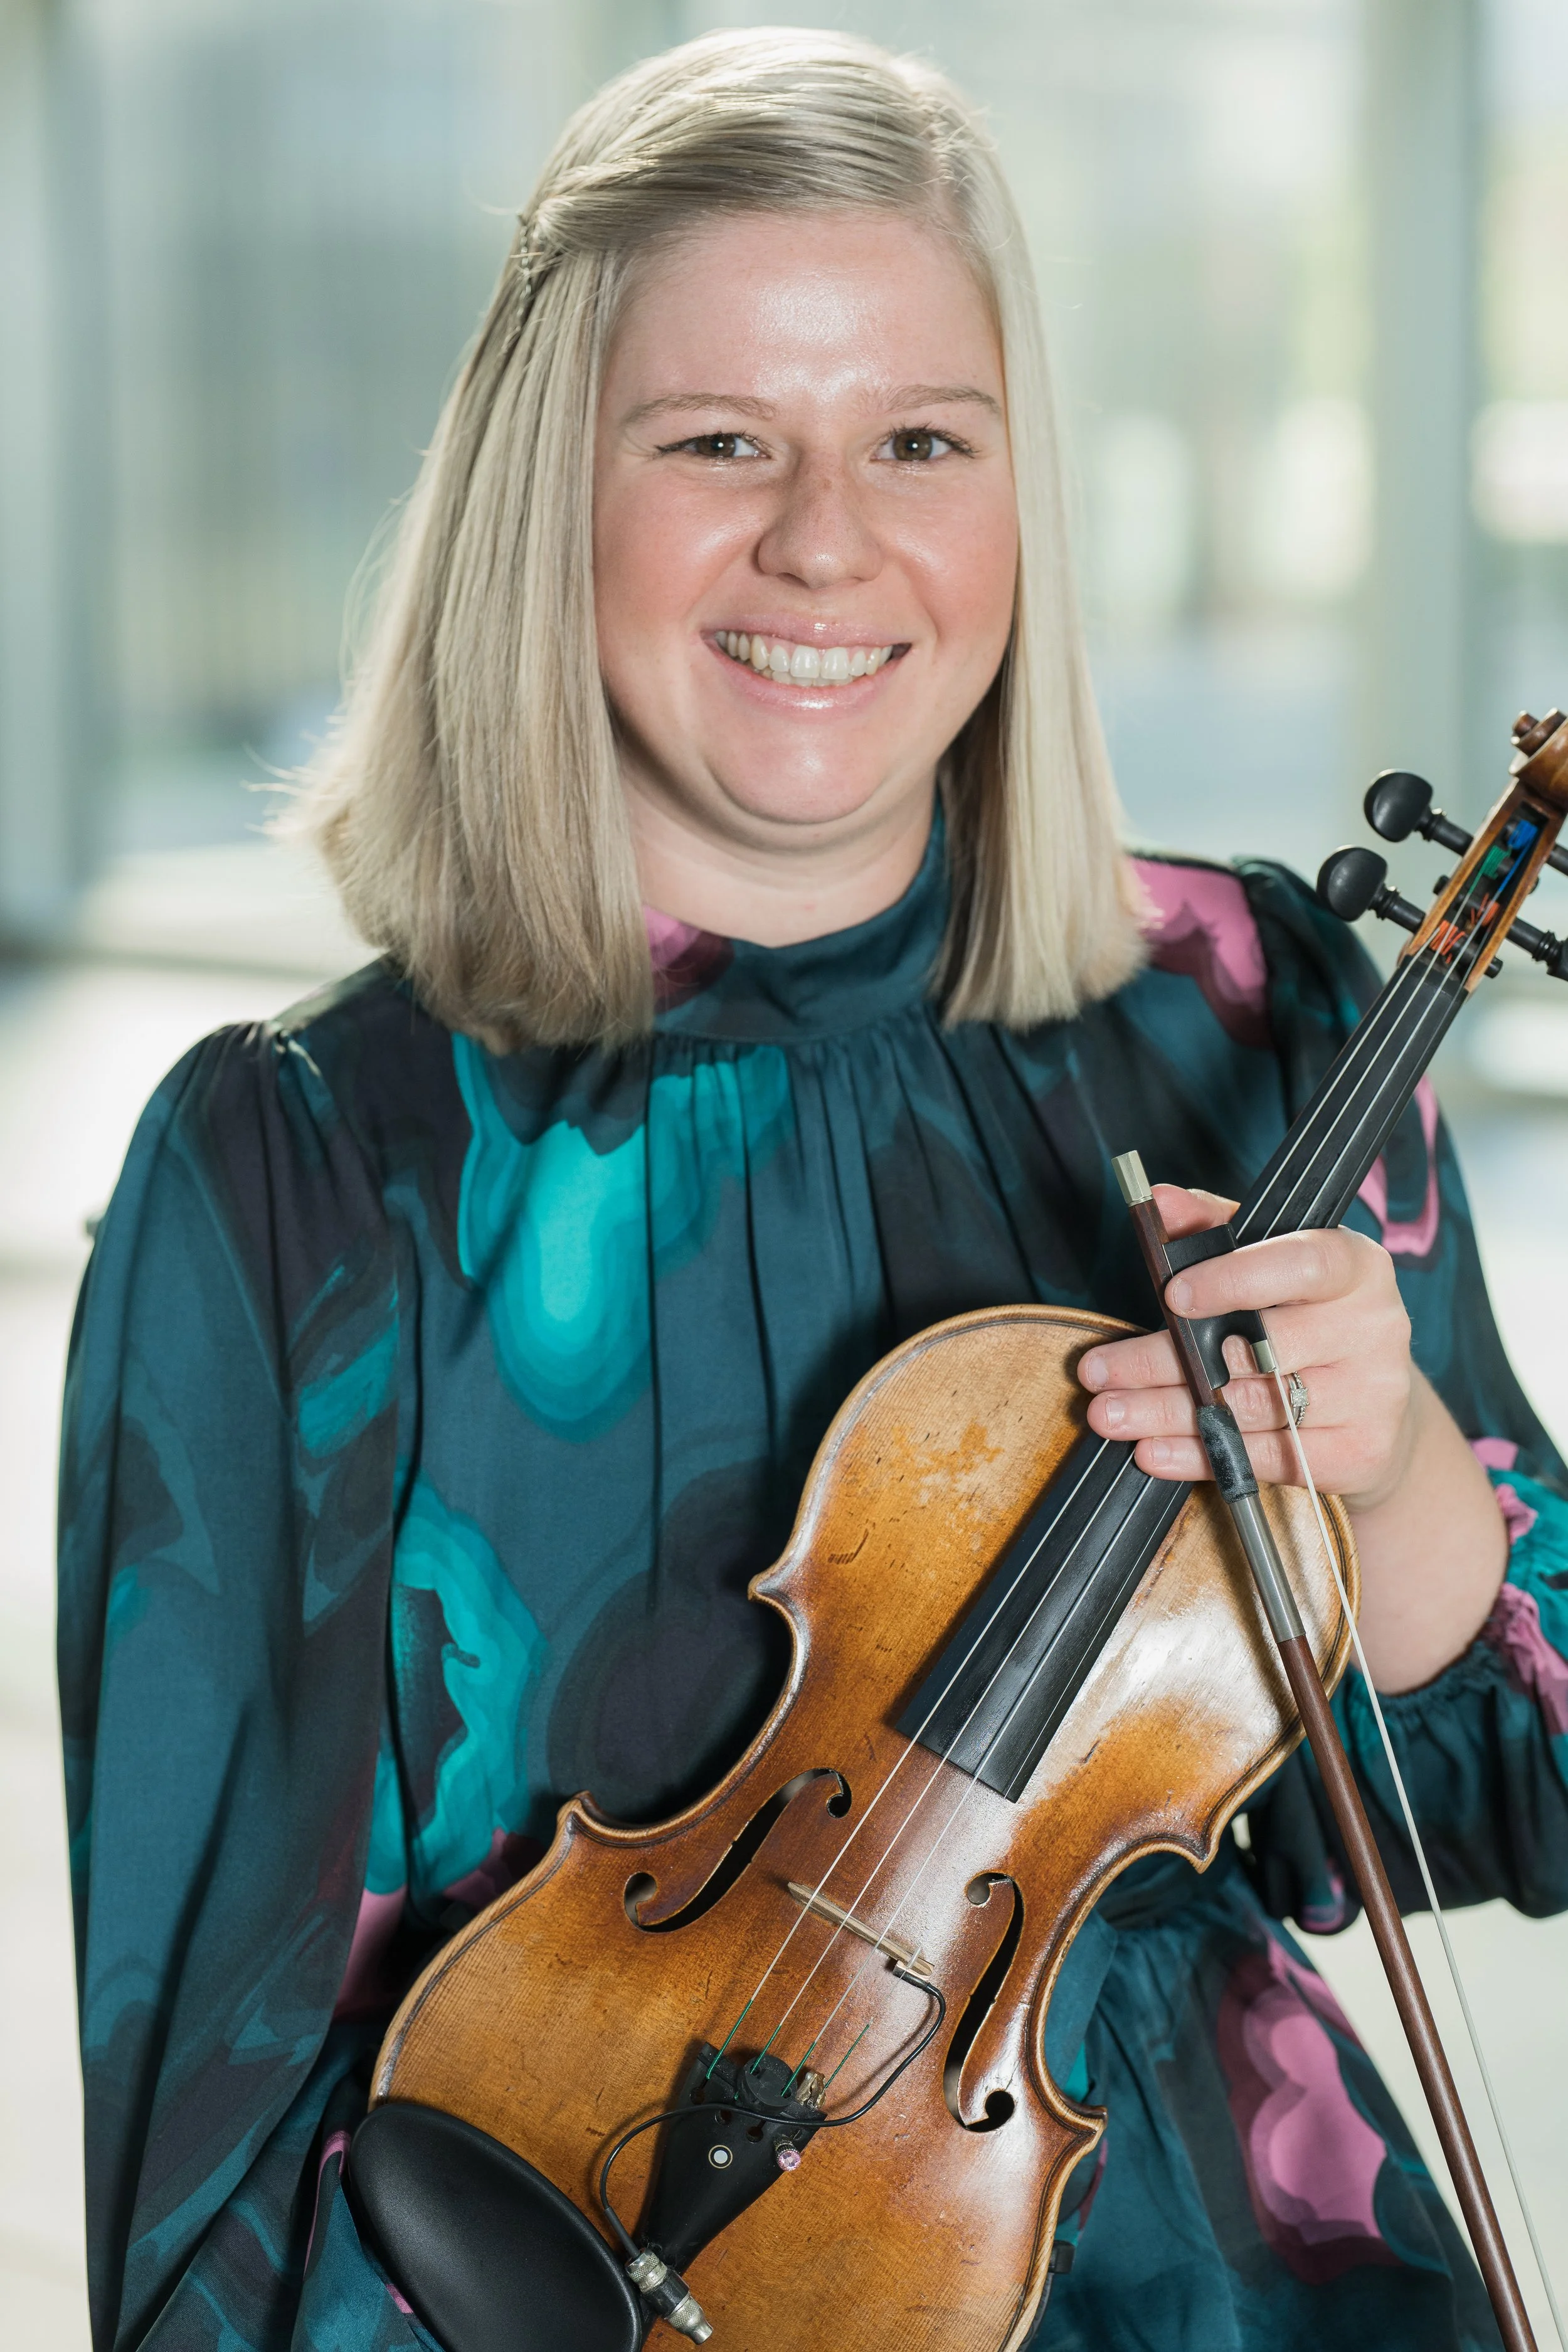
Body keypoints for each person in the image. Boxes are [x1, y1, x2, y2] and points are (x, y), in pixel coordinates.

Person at [58, 28, 1568, 2352]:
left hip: (1241, 2274)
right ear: (547, 492)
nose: (826, 539)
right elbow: (217, 2088)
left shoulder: (1246, 1006)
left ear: (1014, 499)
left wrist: (1382, 1478)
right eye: (717, 441)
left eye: (918, 441)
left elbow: (1509, 1791)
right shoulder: (301, 1167)